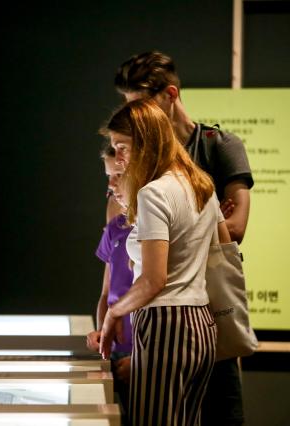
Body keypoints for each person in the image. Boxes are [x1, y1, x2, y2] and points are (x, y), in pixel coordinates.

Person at [113, 51, 254, 426]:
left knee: (220, 413)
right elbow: (123, 228)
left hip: (206, 302)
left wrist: (182, 222)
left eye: (142, 105)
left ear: (170, 95)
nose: (137, 117)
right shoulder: (142, 160)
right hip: (157, 302)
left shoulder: (218, 145)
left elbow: (234, 228)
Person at [99, 99, 231, 426]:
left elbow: (153, 280)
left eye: (123, 147)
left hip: (165, 323)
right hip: (202, 322)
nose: (119, 158)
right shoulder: (200, 184)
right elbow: (225, 249)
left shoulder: (154, 193)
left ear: (146, 141)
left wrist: (115, 312)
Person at [87, 143, 133, 418]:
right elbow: (106, 292)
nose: (112, 186)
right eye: (109, 178)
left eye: (118, 175)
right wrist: (101, 334)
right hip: (117, 352)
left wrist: (142, 361)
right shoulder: (115, 228)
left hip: (145, 356)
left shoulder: (157, 227)